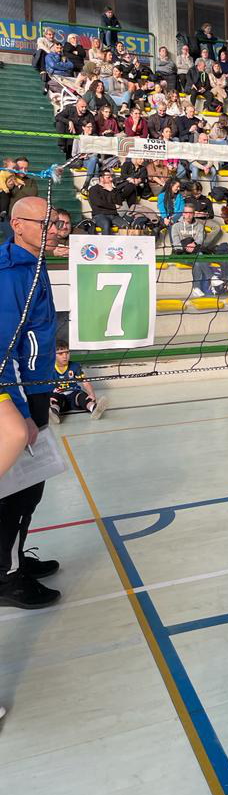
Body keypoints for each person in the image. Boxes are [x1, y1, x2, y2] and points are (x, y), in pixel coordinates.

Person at [0, 197, 61, 609]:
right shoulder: (10, 272)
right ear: (17, 224)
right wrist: (22, 410)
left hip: (36, 386)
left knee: (30, 487)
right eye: (46, 223)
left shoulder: (33, 264)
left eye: (58, 223)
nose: (55, 229)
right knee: (16, 491)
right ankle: (6, 578)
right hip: (20, 390)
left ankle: (15, 560)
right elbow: (5, 350)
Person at [48, 341, 108, 423]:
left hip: (74, 395)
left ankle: (94, 408)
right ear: (53, 355)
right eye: (61, 353)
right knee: (55, 399)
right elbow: (43, 385)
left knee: (83, 397)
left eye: (67, 353)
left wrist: (92, 395)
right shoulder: (49, 368)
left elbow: (85, 382)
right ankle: (54, 412)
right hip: (59, 396)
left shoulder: (75, 366)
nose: (65, 356)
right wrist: (47, 398)